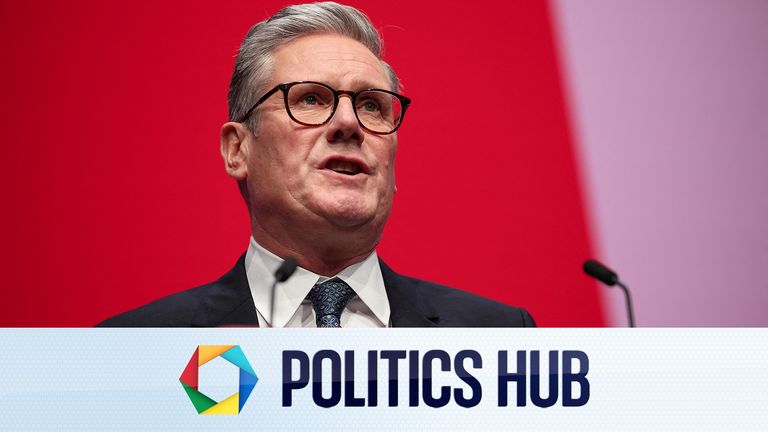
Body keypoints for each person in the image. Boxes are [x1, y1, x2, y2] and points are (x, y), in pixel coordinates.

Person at [99, 2, 535, 328]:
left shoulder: (496, 338)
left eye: (371, 105)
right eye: (310, 99)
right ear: (237, 149)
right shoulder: (138, 348)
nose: (348, 123)